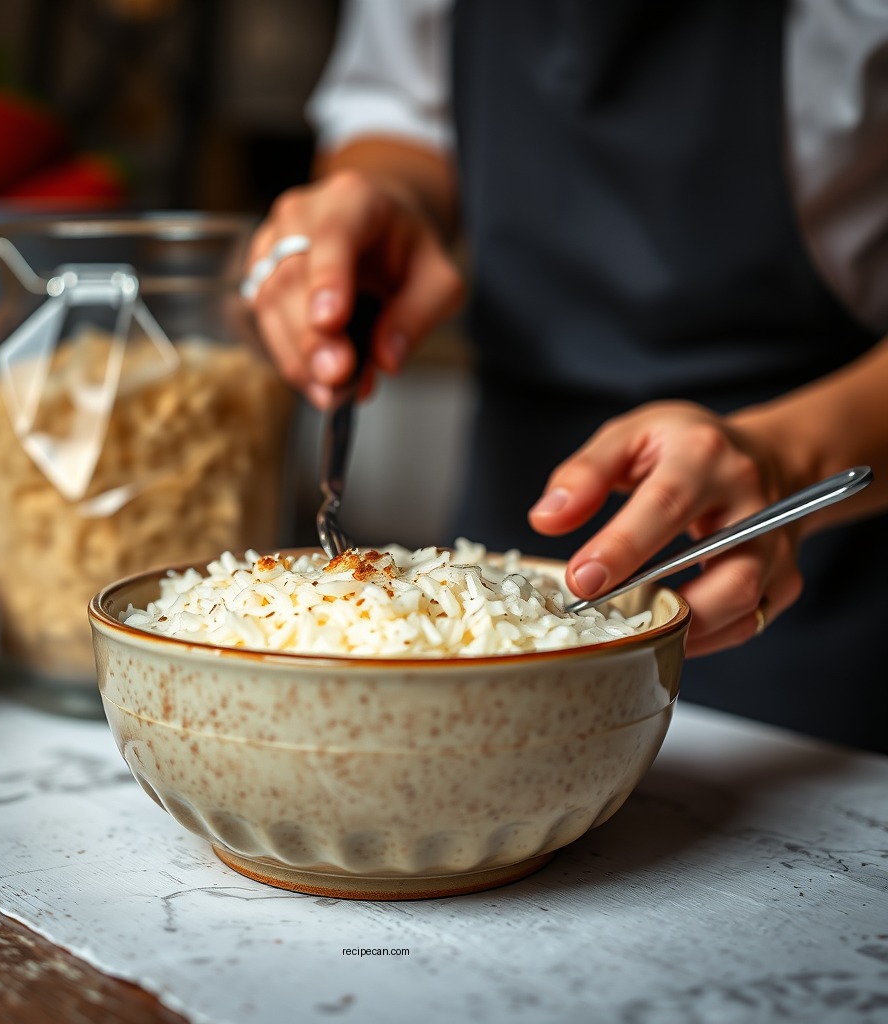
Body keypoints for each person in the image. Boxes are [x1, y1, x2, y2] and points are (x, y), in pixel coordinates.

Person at [239, 0, 888, 753]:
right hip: (497, 557)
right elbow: (399, 116)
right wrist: (386, 200)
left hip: (813, 558)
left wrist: (785, 456)